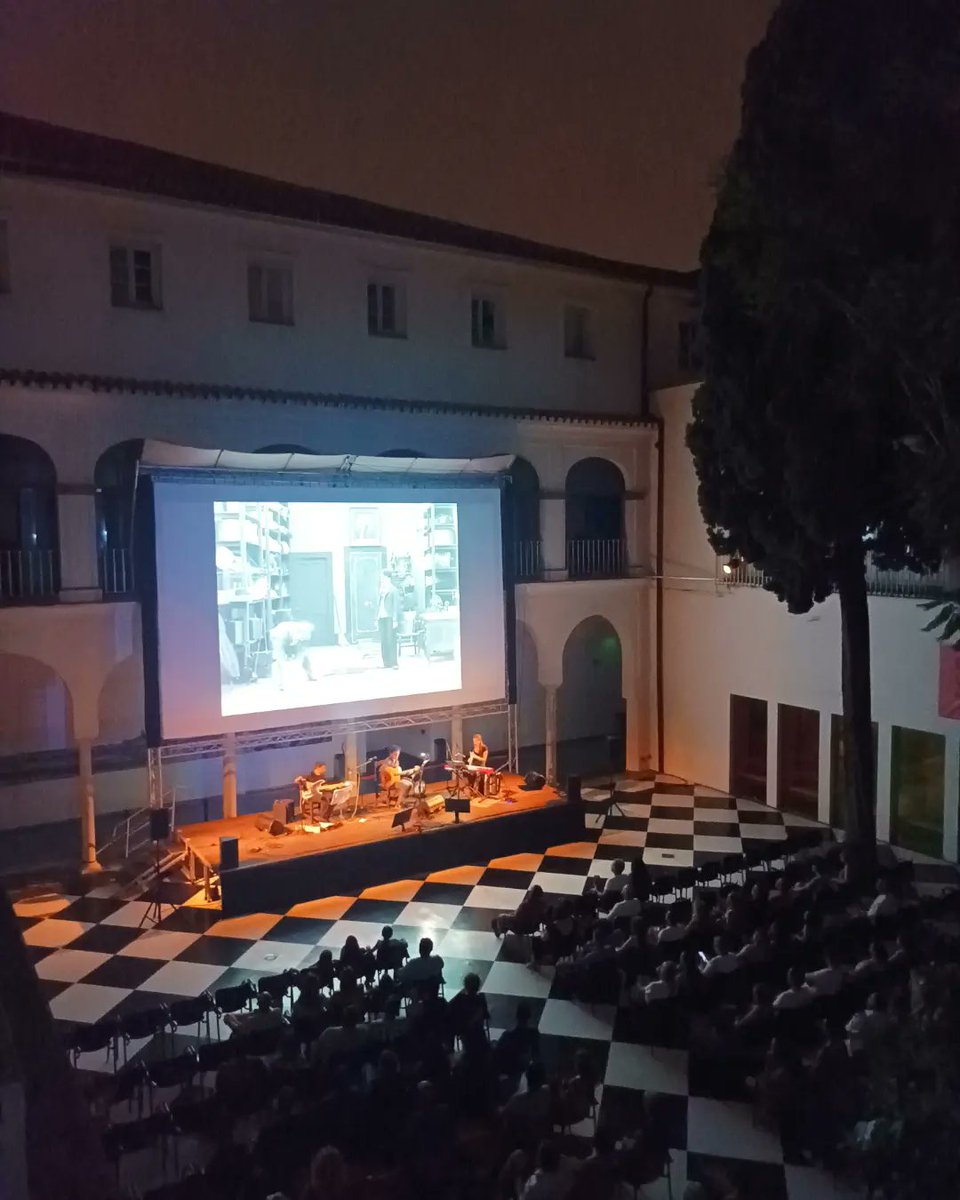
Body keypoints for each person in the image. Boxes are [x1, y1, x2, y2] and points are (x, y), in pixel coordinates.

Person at [448, 972, 490, 1053]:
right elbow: (486, 1015)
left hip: (465, 1032)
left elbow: (450, 1010)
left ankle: (450, 1050)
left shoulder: (460, 999)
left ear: (465, 986)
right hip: (479, 1032)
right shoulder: (481, 998)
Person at [377, 571, 400, 669]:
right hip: (381, 617)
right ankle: (386, 662)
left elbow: (396, 606)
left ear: (387, 578)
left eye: (382, 577)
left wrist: (395, 619)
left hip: (390, 617)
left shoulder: (393, 590)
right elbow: (379, 605)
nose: (381, 579)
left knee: (391, 639)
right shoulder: (381, 589)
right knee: (384, 640)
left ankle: (394, 662)